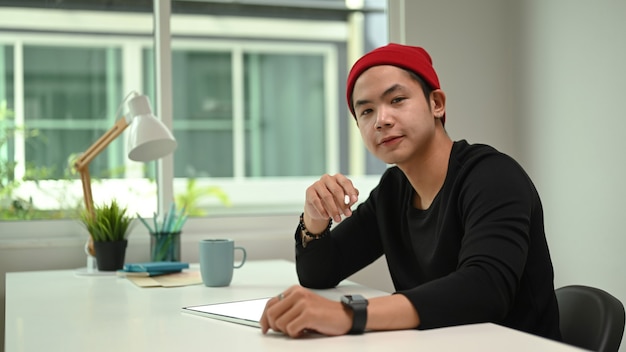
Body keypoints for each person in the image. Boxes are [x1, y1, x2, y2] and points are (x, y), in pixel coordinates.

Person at [260, 43, 562, 341]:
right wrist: (314, 218)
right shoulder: (394, 190)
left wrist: (350, 314)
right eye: (366, 111)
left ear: (437, 104)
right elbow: (319, 274)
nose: (382, 120)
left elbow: (484, 289)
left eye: (397, 100)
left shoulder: (492, 176)